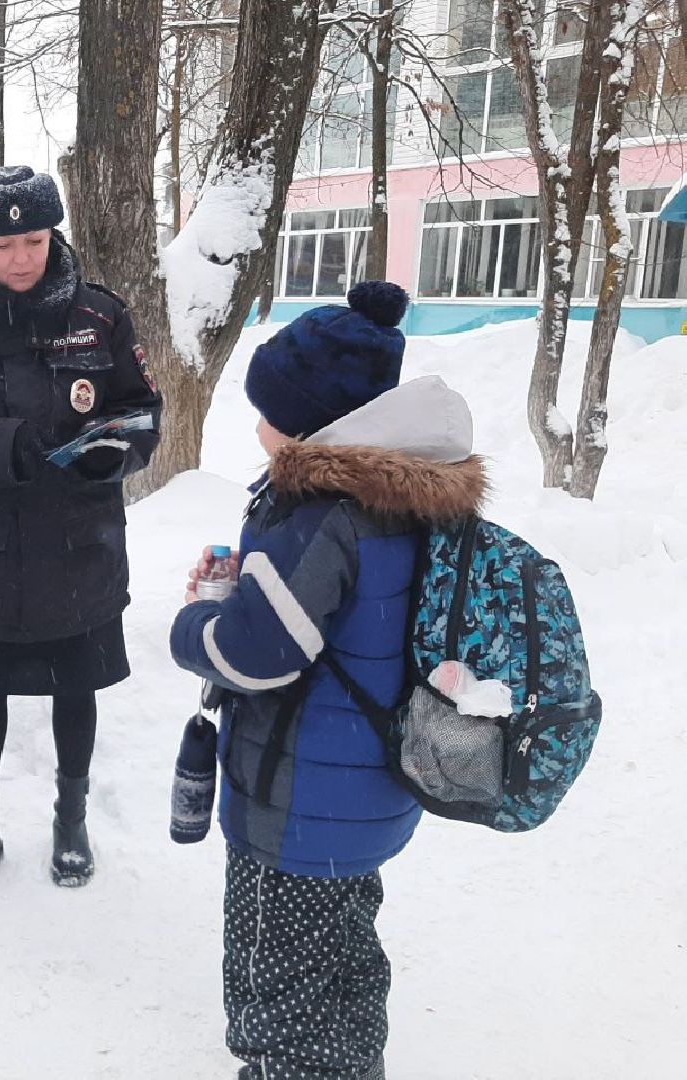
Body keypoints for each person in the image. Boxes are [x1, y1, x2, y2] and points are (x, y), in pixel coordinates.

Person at [168, 282, 486, 1080]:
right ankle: (351, 1067)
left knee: (275, 978)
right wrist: (259, 582)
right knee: (343, 960)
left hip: (299, 800)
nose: (258, 427)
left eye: (266, 411)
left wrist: (196, 624)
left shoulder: (320, 510)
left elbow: (256, 656)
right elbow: (349, 612)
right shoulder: (402, 490)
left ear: (309, 421)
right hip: (367, 789)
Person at [0, 165, 161, 900]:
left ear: (54, 234)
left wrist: (119, 449)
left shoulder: (102, 317)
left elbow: (143, 411)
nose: (20, 257)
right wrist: (11, 445)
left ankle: (70, 820)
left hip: (81, 548)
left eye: (34, 239)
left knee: (77, 688)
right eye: (3, 242)